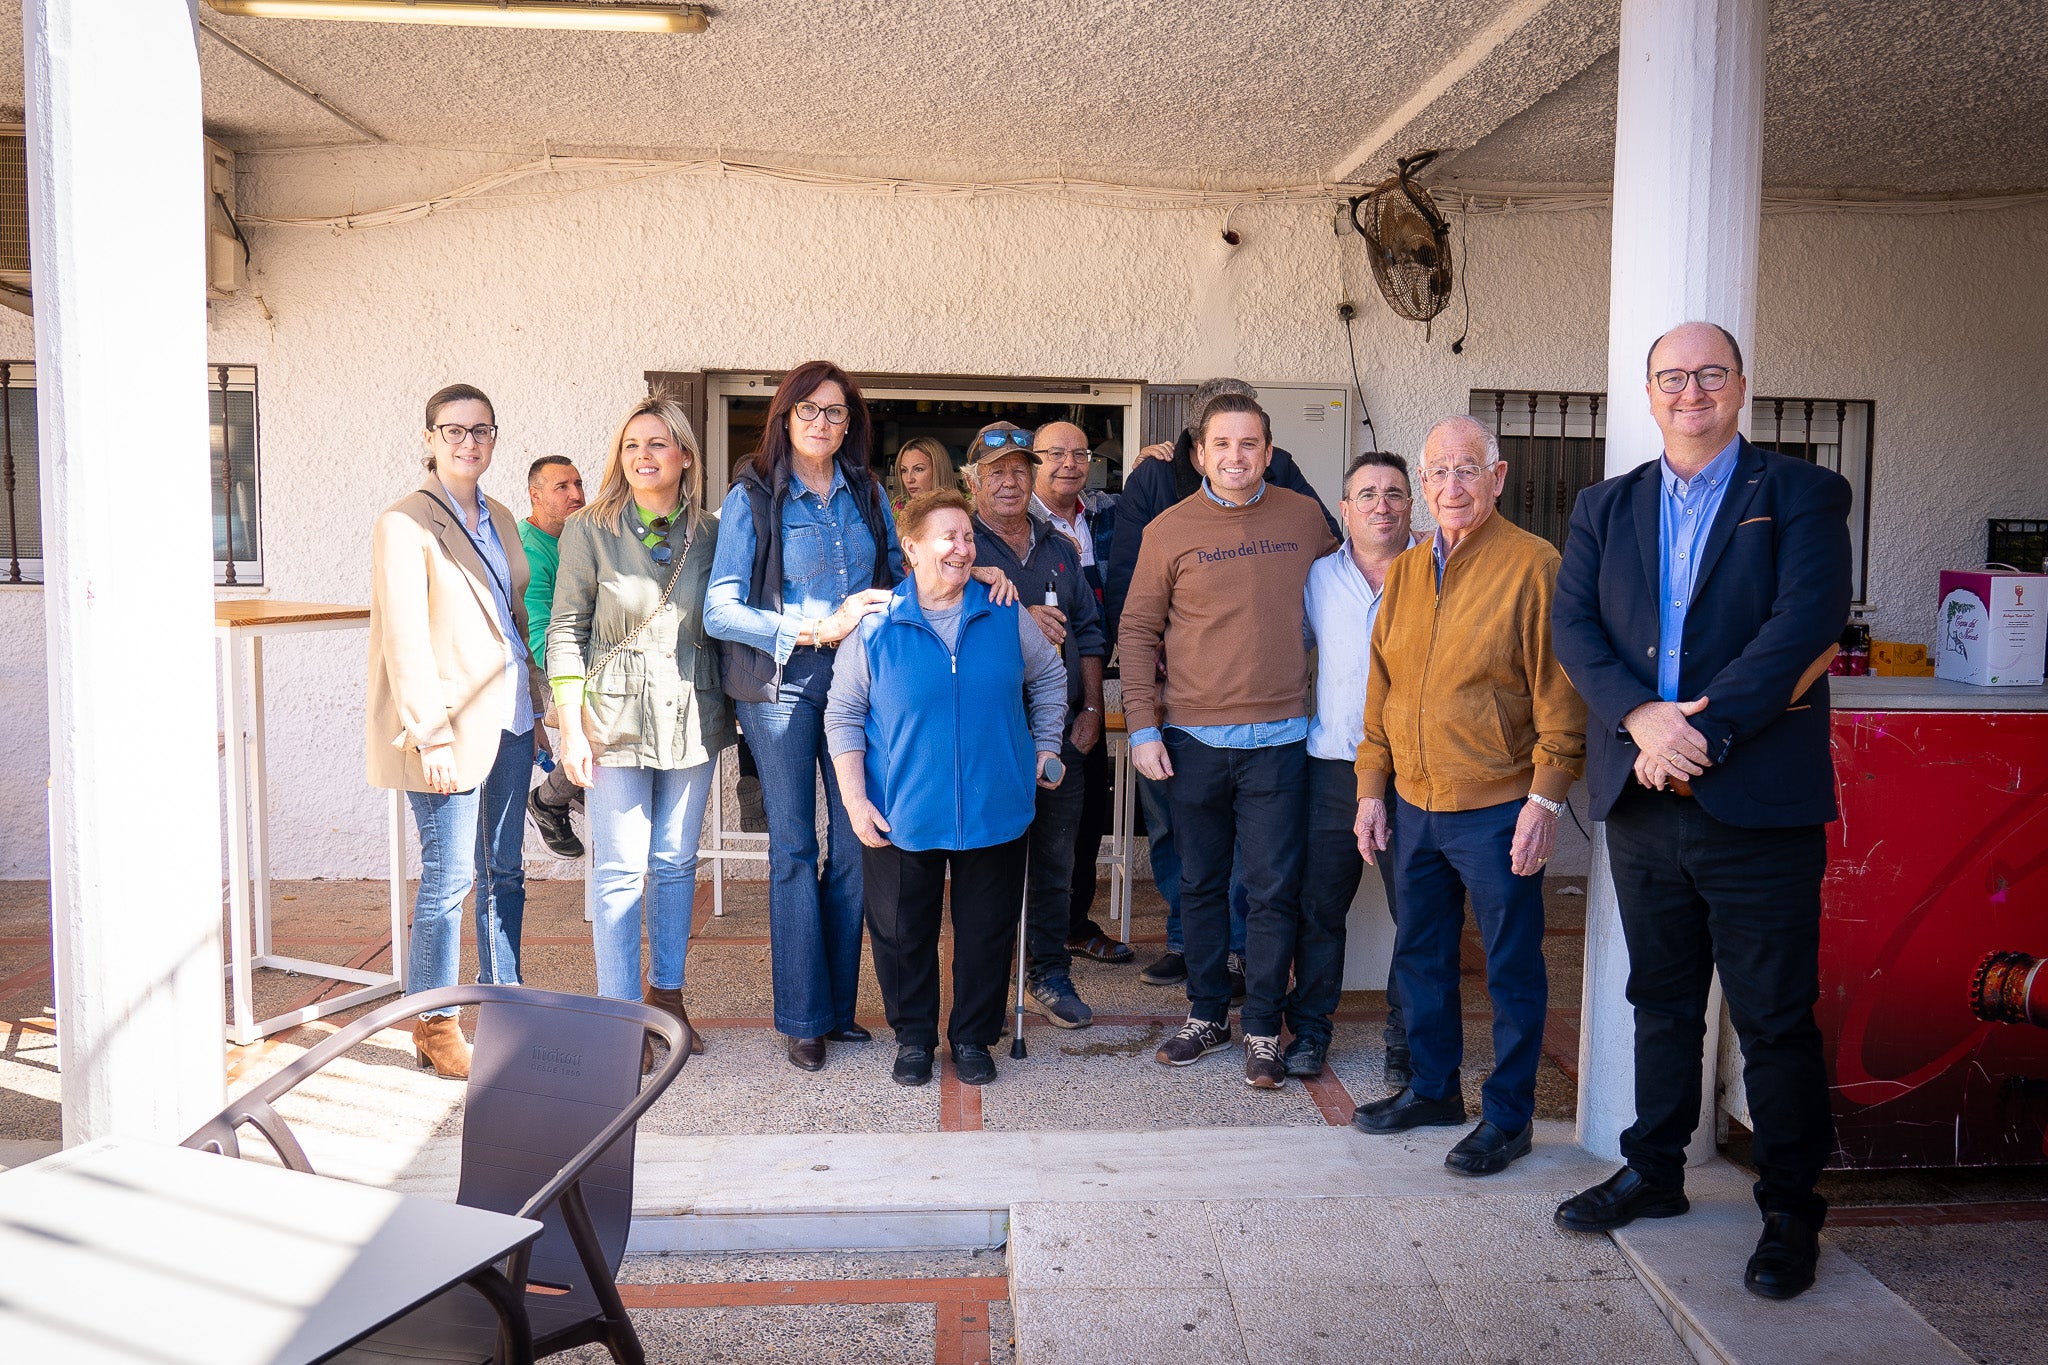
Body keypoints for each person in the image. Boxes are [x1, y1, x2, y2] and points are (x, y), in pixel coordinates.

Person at [1550, 322, 1852, 1301]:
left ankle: (1790, 1208)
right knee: (1662, 1000)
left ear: (1740, 386)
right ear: (1647, 393)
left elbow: (1804, 626)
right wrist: (1641, 718)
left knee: (1773, 1017)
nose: (1691, 392)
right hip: (1644, 801)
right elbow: (1573, 628)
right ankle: (1655, 1170)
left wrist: (1702, 733)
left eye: (1708, 374)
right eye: (1671, 377)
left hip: (1755, 803)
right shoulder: (1604, 505)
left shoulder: (1803, 493)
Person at [705, 362, 1016, 1072]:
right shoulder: (753, 495)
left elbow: (906, 574)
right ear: (785, 417)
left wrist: (972, 570)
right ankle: (803, 1018)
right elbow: (720, 609)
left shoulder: (867, 492)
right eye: (809, 410)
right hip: (783, 688)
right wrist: (816, 627)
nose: (822, 423)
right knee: (793, 848)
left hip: (863, 685)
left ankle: (840, 1008)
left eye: (836, 412)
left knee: (857, 845)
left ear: (851, 423)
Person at [1349, 415, 1586, 1176]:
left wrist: (1545, 800)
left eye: (1467, 469)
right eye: (1439, 472)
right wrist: (1372, 789)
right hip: (1414, 804)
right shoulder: (1408, 570)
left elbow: (1560, 694)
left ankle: (1509, 1117)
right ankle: (1432, 1090)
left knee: (1512, 967)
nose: (1451, 485)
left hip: (1498, 808)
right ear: (1424, 483)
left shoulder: (1534, 564)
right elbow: (1382, 689)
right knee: (1420, 956)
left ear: (1498, 477)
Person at [1119, 393, 1336, 1088]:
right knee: (1201, 885)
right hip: (1193, 740)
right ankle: (1207, 1013)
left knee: (1273, 891)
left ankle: (1264, 1026)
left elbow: (1354, 583)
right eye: (1222, 444)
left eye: (1249, 444)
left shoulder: (1304, 518)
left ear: (1269, 453)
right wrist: (1144, 727)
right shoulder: (1169, 529)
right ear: (1200, 453)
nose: (1235, 457)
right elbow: (1137, 631)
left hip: (1281, 738)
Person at [826, 490, 1068, 1088]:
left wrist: (1046, 747)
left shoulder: (1003, 612)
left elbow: (1049, 676)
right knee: (901, 933)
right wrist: (855, 801)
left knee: (986, 932)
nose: (962, 548)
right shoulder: (876, 625)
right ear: (911, 548)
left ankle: (972, 1037)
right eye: (948, 537)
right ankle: (914, 1038)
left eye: (967, 537)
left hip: (995, 806)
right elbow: (843, 714)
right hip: (901, 810)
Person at [547, 397, 734, 1068]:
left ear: (685, 454)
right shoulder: (588, 528)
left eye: (657, 443)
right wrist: (571, 728)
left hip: (692, 712)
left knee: (677, 863)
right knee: (621, 870)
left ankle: (669, 998)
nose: (643, 455)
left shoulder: (712, 532)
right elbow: (565, 629)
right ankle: (620, 1016)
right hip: (613, 717)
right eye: (631, 445)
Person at [366, 383, 546, 1079]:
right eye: (454, 430)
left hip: (509, 715)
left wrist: (539, 705)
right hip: (446, 726)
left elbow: (513, 618)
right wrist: (431, 733)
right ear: (430, 438)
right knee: (448, 880)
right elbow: (404, 638)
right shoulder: (404, 522)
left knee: (505, 870)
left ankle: (505, 1003)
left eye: (481, 430)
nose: (469, 442)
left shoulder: (498, 516)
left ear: (494, 438)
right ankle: (435, 1024)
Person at [968, 423, 1107, 1028]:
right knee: (988, 865)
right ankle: (986, 986)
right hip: (989, 736)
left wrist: (1093, 710)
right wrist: (1019, 616)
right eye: (995, 471)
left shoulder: (1061, 548)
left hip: (1062, 732)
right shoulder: (959, 546)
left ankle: (1048, 971)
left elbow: (1090, 634)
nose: (1009, 482)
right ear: (972, 480)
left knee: (1056, 861)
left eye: (1019, 471)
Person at [1290, 452, 1420, 1081]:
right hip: (1333, 768)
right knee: (1318, 908)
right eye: (1366, 494)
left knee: (1417, 912)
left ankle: (1405, 1040)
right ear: (1344, 510)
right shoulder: (1317, 577)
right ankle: (1310, 1031)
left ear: (1411, 506)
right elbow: (1288, 651)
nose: (1381, 505)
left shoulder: (1437, 569)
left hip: (1415, 772)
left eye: (1394, 493)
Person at [1030, 420, 1129, 966]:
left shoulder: (1107, 514)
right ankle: (1022, 940)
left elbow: (1090, 626)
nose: (1070, 463)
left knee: (1087, 818)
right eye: (1055, 454)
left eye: (1081, 453)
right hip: (1022, 702)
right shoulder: (1012, 525)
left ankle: (1072, 925)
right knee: (1028, 830)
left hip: (1086, 687)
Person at [520, 454, 588, 859]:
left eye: (578, 484)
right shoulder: (530, 549)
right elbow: (540, 636)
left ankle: (573, 788)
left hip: (577, 656)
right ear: (536, 495)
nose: (576, 494)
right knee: (601, 717)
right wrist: (578, 679)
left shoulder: (579, 535)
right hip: (538, 668)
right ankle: (549, 801)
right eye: (562, 487)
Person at [891, 436, 959, 513]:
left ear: (939, 470)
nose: (909, 479)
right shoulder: (899, 506)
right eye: (904, 470)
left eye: (918, 469)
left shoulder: (965, 507)